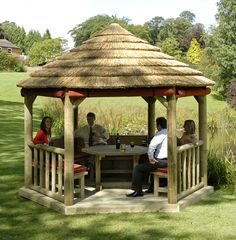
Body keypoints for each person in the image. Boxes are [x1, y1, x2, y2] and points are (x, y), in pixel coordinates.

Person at [126, 117, 168, 197]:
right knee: (145, 162)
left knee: (138, 168)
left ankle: (137, 191)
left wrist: (151, 158)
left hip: (162, 161)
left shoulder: (161, 134)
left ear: (158, 125)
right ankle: (151, 187)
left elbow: (152, 146)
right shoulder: (170, 133)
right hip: (169, 160)